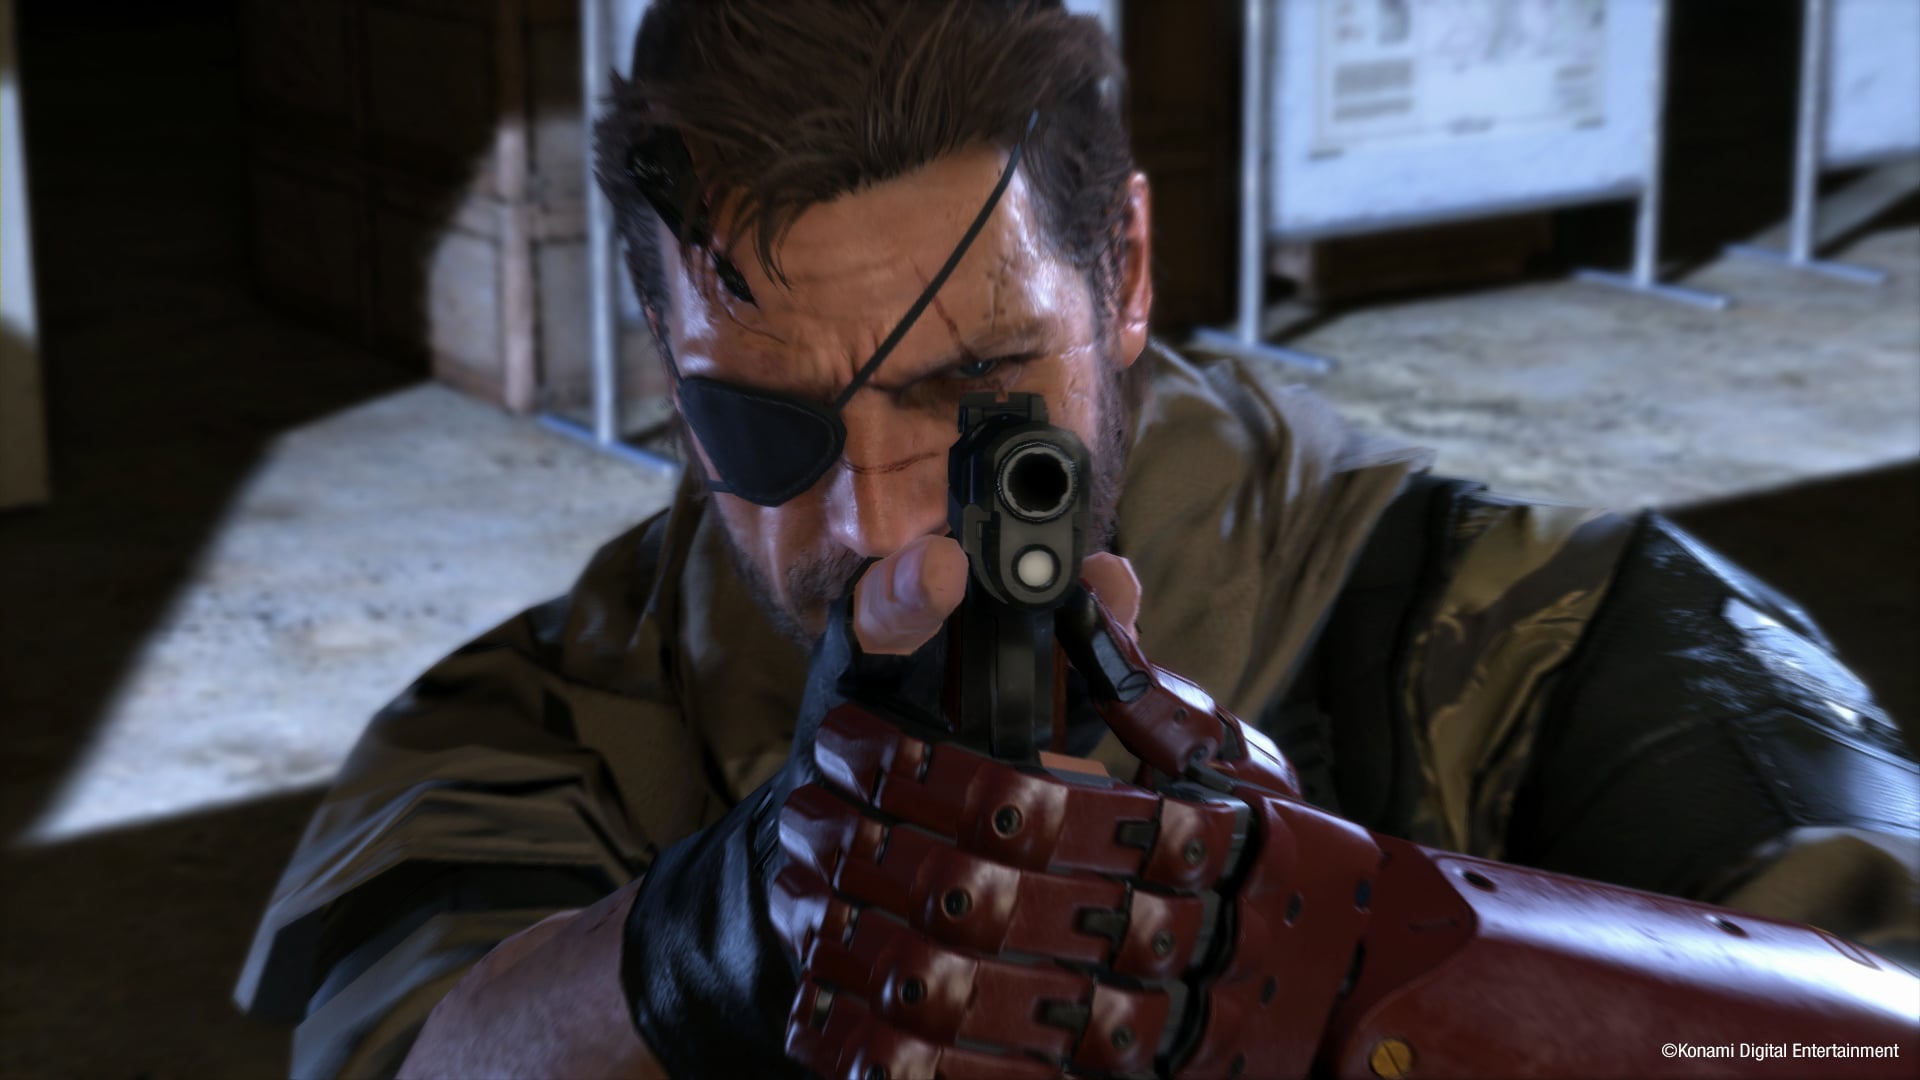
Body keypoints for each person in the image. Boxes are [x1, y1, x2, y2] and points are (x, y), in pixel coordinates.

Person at [232, 2, 1920, 1077]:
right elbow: (410, 1049)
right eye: (767, 427)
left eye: (975, 396)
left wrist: (1375, 989)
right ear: (663, 362)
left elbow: (1866, 1010)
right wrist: (712, 939)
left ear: (1124, 273)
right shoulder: (527, 728)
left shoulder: (1568, 629)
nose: (884, 525)